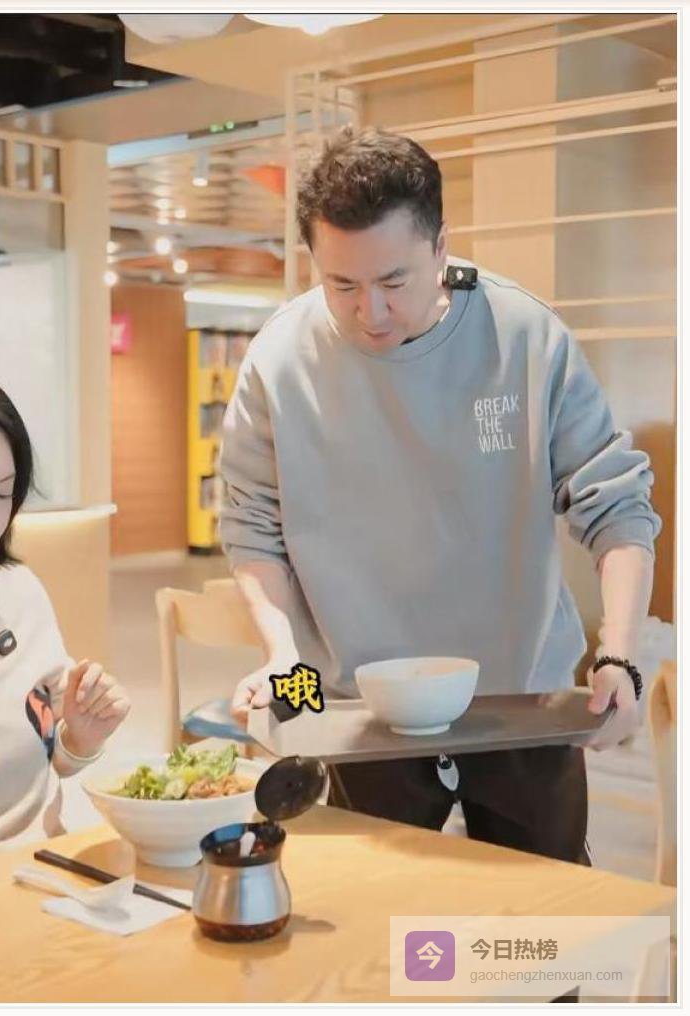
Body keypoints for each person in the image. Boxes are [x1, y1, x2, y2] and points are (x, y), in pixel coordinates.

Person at [218, 126, 660, 867]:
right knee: (387, 918)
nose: (371, 312)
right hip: (361, 707)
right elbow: (253, 527)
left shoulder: (524, 336)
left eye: (394, 282)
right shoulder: (278, 359)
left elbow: (618, 509)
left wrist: (619, 654)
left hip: (521, 701)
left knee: (543, 917)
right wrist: (284, 660)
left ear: (441, 246)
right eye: (342, 285)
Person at [0, 361, 131, 872]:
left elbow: (52, 759)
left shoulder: (17, 591)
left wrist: (81, 737)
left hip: (45, 877)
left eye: (3, 492)